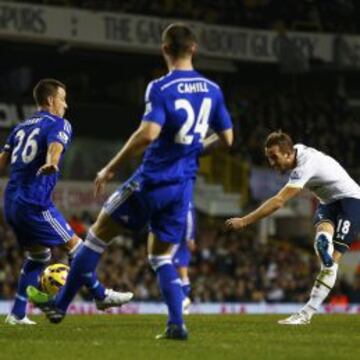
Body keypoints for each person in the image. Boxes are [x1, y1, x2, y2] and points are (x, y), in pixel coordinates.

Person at [28, 23, 233, 340]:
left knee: (95, 237)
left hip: (150, 182)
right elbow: (227, 138)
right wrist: (192, 151)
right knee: (161, 256)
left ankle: (60, 305)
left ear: (165, 49)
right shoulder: (213, 90)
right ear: (194, 48)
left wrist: (111, 166)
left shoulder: (160, 87)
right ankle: (176, 324)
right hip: (182, 189)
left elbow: (148, 133)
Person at [0, 78, 132, 325]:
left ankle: (17, 313)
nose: (66, 105)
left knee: (38, 257)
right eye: (63, 98)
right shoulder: (59, 123)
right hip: (35, 203)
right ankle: (100, 295)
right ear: (51, 100)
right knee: (79, 248)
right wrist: (51, 161)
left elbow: (2, 161)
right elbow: (56, 145)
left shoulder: (20, 127)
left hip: (11, 204)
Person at [226, 130, 360, 325]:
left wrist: (245, 221)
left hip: (351, 201)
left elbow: (279, 201)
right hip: (328, 202)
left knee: (331, 260)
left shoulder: (305, 165)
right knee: (321, 244)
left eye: (274, 157)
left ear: (288, 154)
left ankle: (306, 314)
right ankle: (325, 254)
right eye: (269, 158)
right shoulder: (295, 152)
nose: (272, 163)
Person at [172, 200, 196, 315]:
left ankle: (182, 299)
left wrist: (189, 237)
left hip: (178, 241)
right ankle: (184, 304)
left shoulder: (184, 200)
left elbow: (190, 218)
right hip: (180, 240)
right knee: (182, 273)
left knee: (166, 267)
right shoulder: (185, 198)